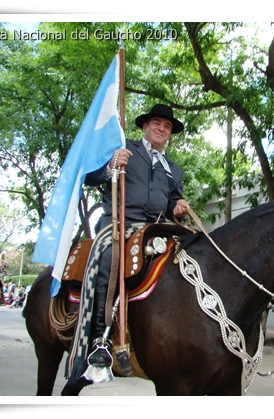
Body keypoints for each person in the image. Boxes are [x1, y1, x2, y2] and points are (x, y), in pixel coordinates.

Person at [83, 104, 189, 369]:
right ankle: (99, 338)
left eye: (167, 126)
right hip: (118, 224)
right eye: (156, 123)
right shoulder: (123, 147)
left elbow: (173, 203)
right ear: (145, 126)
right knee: (109, 259)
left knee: (190, 258)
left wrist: (178, 208)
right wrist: (111, 165)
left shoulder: (174, 170)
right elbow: (90, 177)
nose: (161, 128)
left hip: (155, 229)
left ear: (170, 133)